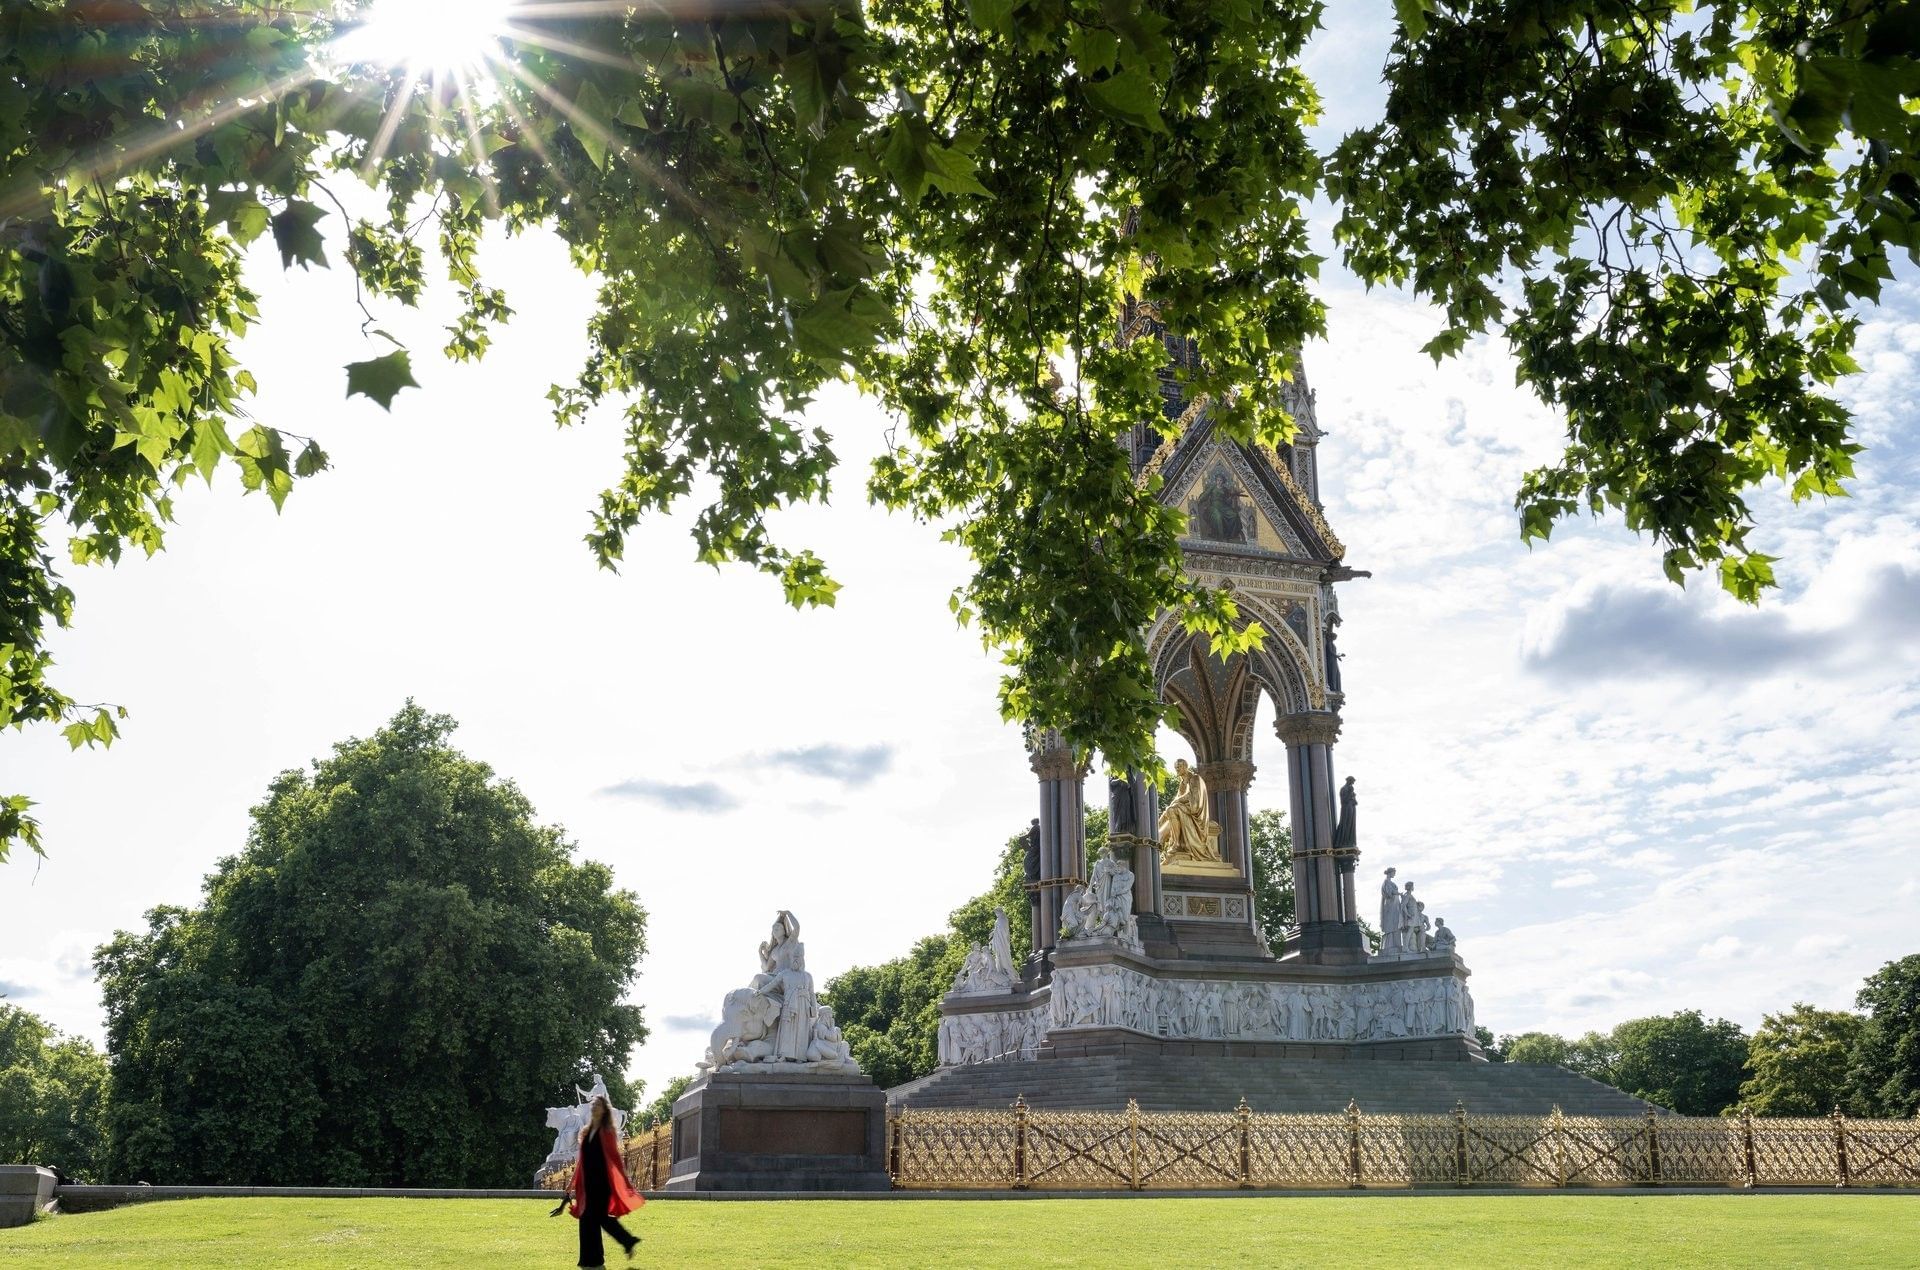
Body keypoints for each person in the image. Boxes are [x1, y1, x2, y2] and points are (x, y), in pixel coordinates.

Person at [570, 1095, 642, 1266]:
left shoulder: (607, 1132)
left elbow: (614, 1158)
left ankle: (602, 1255)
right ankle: (592, 1258)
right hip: (587, 1184)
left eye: (598, 1104)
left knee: (596, 1218)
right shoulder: (586, 1132)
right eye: (593, 1104)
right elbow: (582, 1161)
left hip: (602, 1184)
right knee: (588, 1219)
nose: (594, 1106)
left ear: (604, 1110)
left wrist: (625, 1182)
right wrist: (572, 1183)